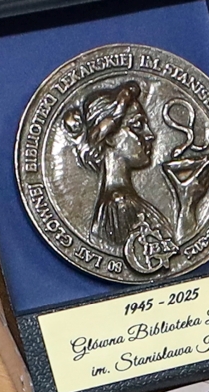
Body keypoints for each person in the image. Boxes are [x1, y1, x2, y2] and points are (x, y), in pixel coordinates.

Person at [62, 79, 176, 272]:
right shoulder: (120, 207)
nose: (150, 135)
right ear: (110, 137)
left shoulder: (124, 202)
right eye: (137, 125)